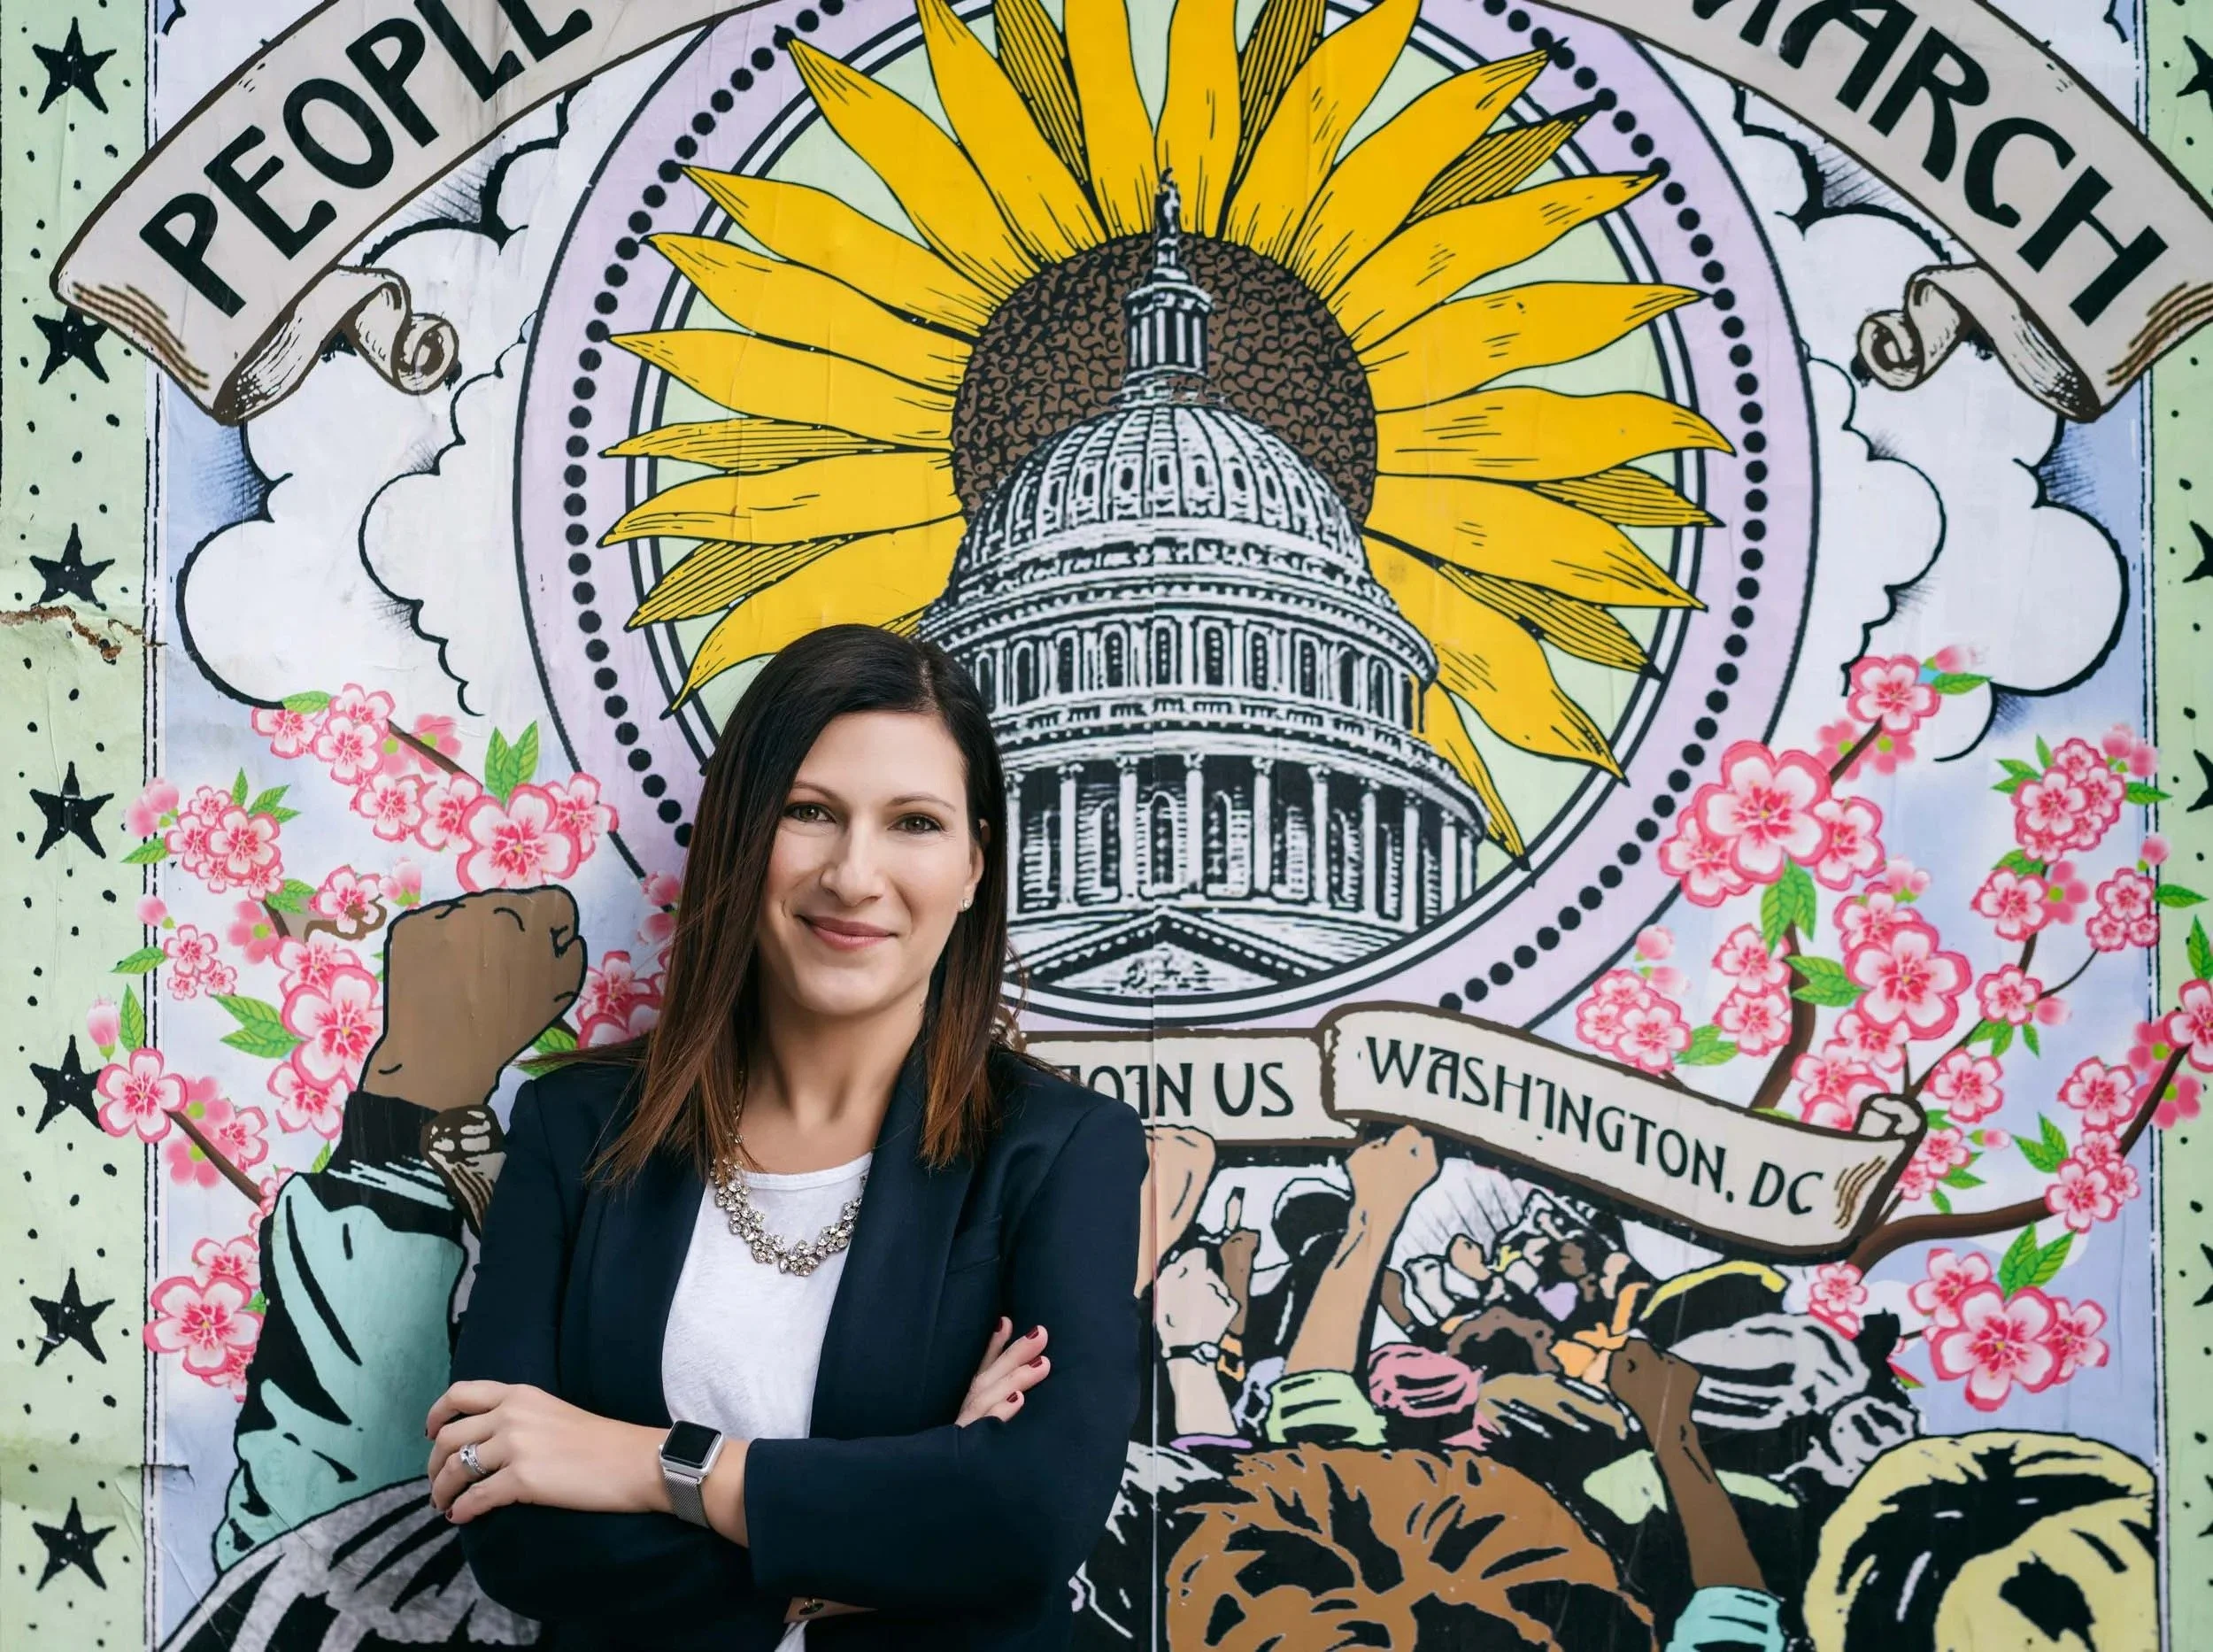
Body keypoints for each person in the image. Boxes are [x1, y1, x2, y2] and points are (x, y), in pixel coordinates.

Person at [421, 626, 1147, 1649]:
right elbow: (511, 1528)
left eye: (914, 824)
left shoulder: (1066, 1152)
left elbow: (1028, 1518)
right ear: (740, 834)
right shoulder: (575, 1128)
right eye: (810, 812)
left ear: (975, 865)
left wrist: (642, 1466)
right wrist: (903, 1520)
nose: (854, 876)